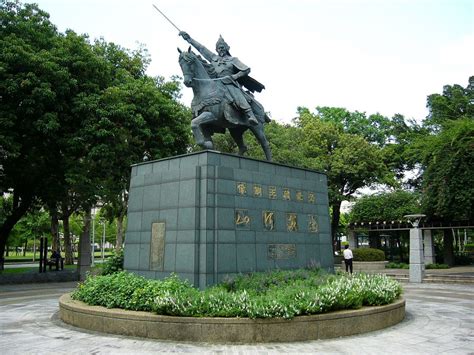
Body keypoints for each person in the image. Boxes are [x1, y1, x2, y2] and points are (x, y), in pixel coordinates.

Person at [179, 31, 262, 126]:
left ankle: (250, 115)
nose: (220, 49)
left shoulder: (233, 60)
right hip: (216, 83)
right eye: (218, 48)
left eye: (222, 47)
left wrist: (234, 76)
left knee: (236, 95)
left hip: (229, 83)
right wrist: (189, 39)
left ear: (227, 48)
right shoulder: (213, 58)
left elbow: (246, 70)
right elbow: (201, 48)